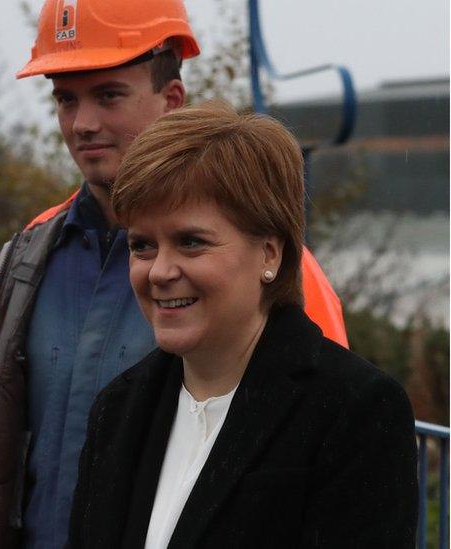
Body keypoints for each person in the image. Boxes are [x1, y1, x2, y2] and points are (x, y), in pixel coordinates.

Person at [0, 0, 350, 547]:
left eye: (108, 95)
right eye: (66, 99)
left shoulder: (265, 271)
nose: (83, 123)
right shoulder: (24, 262)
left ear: (171, 99)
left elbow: (319, 446)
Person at [68, 100, 418, 548]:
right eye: (142, 246)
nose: (159, 271)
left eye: (190, 242)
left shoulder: (354, 409)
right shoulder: (117, 409)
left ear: (270, 253)